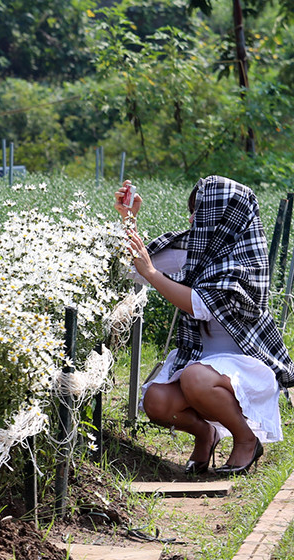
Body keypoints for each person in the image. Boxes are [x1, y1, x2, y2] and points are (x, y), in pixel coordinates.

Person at [117, 176, 294, 476]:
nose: (191, 218)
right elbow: (134, 269)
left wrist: (152, 273)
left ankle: (246, 439)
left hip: (247, 369)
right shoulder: (196, 249)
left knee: (195, 377)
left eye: (199, 211)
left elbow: (198, 302)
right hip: (202, 365)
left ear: (222, 216)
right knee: (156, 401)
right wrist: (128, 220)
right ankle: (204, 435)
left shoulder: (248, 261)